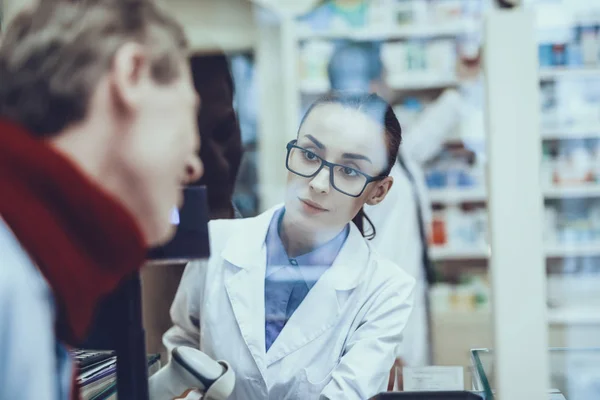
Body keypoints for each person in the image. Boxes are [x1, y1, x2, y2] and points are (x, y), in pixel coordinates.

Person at [0, 1, 202, 398]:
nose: (194, 164)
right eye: (189, 116)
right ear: (132, 74)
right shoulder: (9, 277)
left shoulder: (38, 268)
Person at [164, 92, 416, 399]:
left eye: (349, 171)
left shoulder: (386, 291)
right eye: (309, 155)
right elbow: (184, 345)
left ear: (377, 192)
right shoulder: (218, 243)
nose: (319, 184)